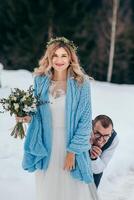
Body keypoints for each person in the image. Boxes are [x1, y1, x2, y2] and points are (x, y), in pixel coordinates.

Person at [16, 37, 99, 200]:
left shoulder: (81, 83)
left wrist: (72, 151)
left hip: (69, 145)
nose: (59, 60)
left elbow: (84, 120)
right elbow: (39, 115)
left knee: (71, 189)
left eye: (63, 56)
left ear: (70, 59)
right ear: (49, 57)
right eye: (55, 55)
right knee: (48, 190)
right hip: (46, 145)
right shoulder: (40, 81)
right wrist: (26, 117)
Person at [89, 115, 119, 188]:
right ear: (92, 127)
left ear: (111, 133)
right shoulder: (84, 128)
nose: (101, 140)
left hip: (95, 171)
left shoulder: (114, 140)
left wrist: (94, 158)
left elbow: (101, 167)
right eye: (97, 134)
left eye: (106, 136)